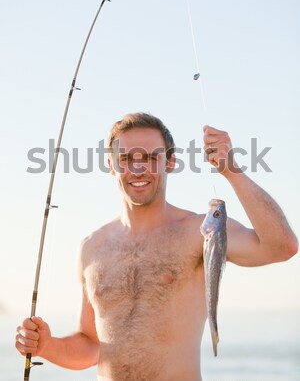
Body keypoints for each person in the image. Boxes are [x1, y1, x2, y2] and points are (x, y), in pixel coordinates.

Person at [15, 112, 298, 381]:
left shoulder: (200, 231)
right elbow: (91, 347)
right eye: (126, 158)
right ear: (112, 165)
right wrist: (47, 346)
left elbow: (281, 246)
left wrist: (232, 172)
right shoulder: (92, 247)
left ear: (170, 163)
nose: (139, 168)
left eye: (151, 157)